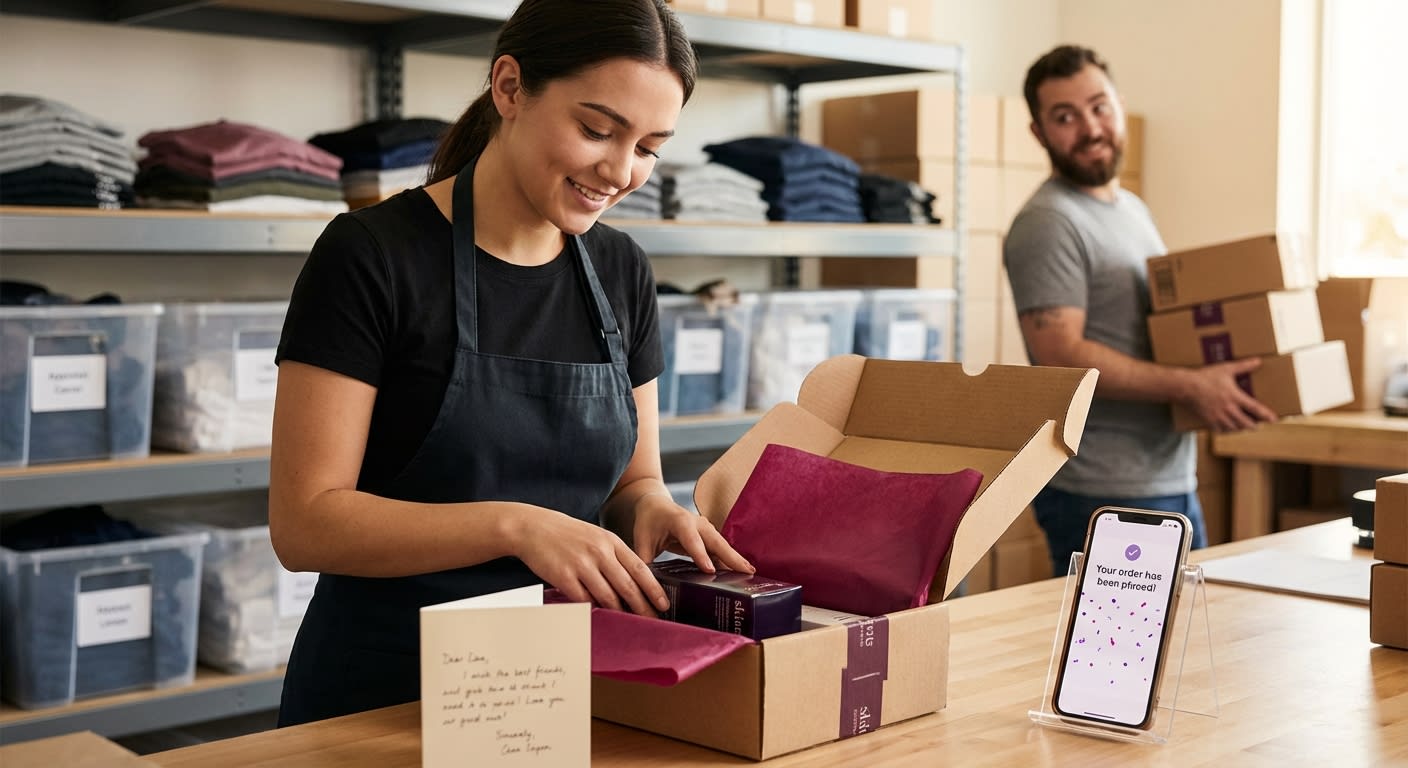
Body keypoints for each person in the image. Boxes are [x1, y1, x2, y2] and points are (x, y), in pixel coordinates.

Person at [269, 0, 752, 726]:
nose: (621, 172)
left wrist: (652, 509)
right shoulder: (371, 256)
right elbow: (304, 524)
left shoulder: (621, 269)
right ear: (510, 88)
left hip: (556, 690)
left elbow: (635, 480)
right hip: (383, 697)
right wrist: (516, 526)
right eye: (597, 130)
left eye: (650, 147)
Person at [1003, 45, 1278, 575]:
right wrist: (1193, 386)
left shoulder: (1131, 209)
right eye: (1065, 117)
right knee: (1116, 656)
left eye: (1099, 106)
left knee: (1170, 650)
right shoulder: (1049, 222)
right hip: (1104, 489)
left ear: (1119, 106)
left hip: (1162, 478)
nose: (1090, 127)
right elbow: (1061, 354)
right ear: (1039, 133)